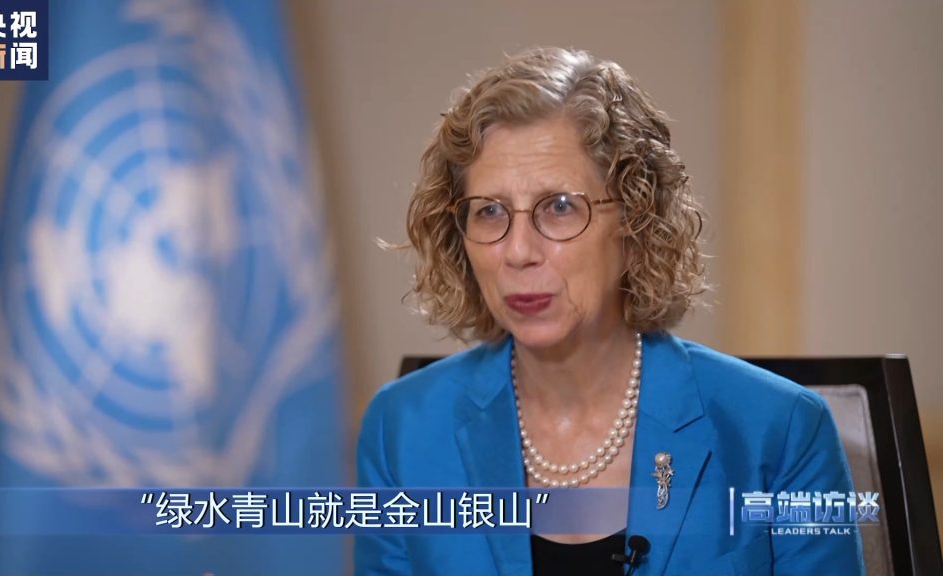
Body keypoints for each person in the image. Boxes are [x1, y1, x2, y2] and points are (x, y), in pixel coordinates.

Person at [355, 47, 863, 576]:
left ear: (634, 219)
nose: (518, 251)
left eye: (559, 207)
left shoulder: (780, 430)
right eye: (489, 212)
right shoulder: (402, 429)